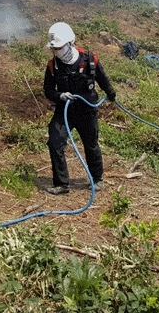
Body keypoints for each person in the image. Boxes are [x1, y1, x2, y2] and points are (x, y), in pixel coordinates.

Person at [42, 22, 115, 195]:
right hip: (65, 111)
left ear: (69, 43)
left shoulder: (90, 59)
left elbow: (102, 79)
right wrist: (59, 96)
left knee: (91, 144)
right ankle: (61, 184)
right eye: (54, 49)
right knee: (55, 141)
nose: (56, 51)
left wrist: (111, 93)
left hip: (86, 111)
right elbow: (48, 90)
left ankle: (97, 179)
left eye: (59, 47)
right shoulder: (53, 66)